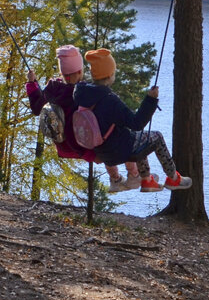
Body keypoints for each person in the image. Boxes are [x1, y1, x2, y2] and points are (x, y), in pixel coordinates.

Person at [73, 48, 192, 193]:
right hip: (120, 150)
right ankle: (174, 178)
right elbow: (137, 123)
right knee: (156, 137)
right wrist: (151, 100)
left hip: (102, 151)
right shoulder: (109, 100)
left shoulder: (82, 95)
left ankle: (147, 181)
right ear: (110, 75)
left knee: (140, 139)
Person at [25, 45, 140, 193]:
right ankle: (132, 175)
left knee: (104, 140)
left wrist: (32, 84)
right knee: (114, 137)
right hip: (86, 147)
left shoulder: (53, 87)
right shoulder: (83, 91)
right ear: (80, 71)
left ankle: (117, 180)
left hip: (64, 146)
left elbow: (36, 108)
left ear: (61, 71)